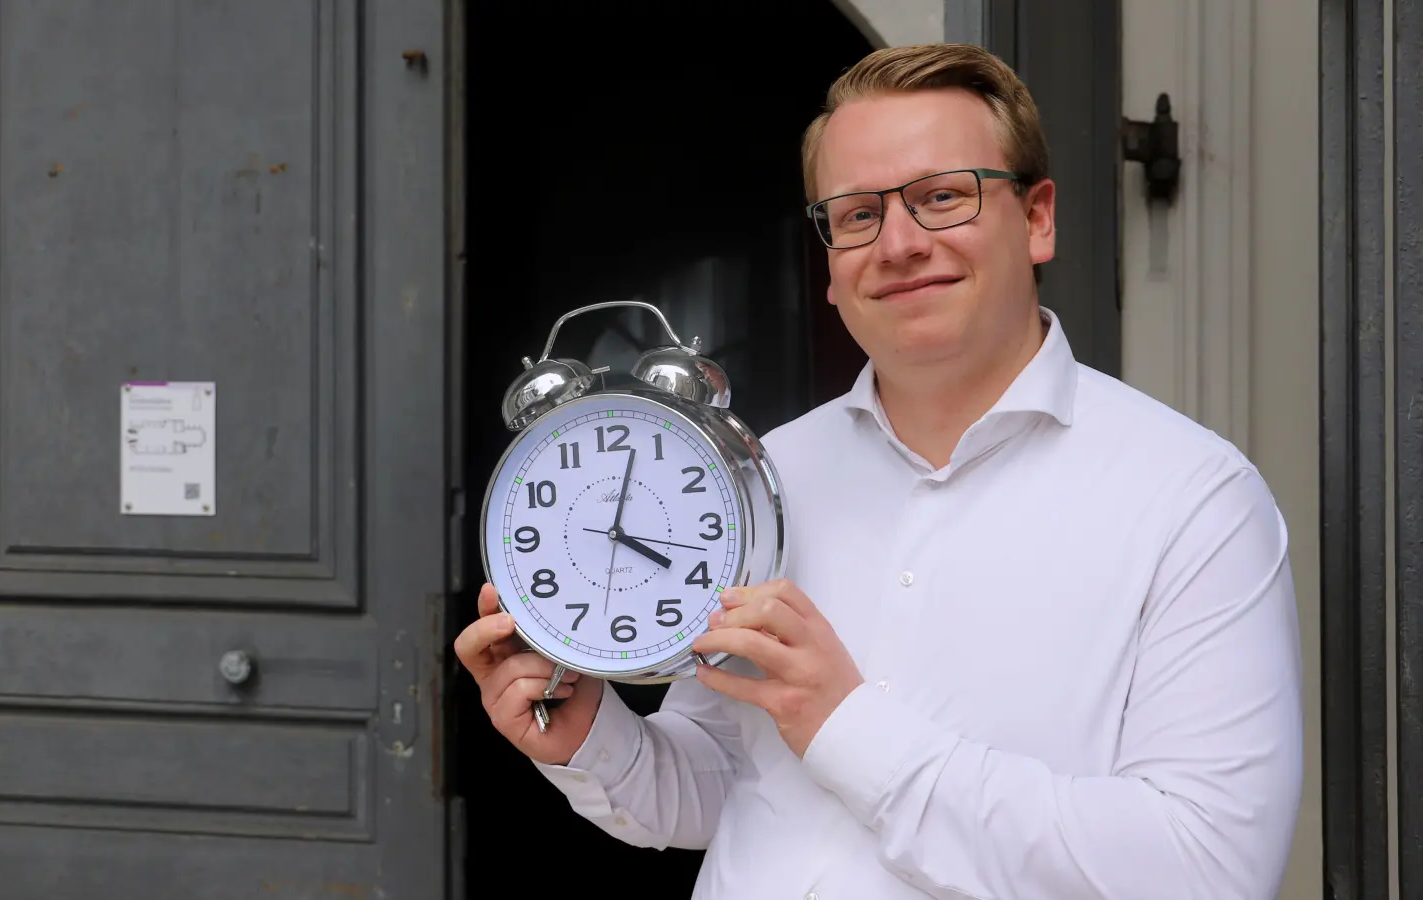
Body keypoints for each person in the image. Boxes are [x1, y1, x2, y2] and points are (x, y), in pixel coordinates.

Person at [454, 42, 1304, 899]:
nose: (898, 244)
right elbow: (723, 788)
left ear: (1038, 218)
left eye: (943, 197)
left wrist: (847, 724)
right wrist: (586, 735)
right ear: (830, 264)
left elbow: (1209, 870)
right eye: (857, 215)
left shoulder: (1194, 500)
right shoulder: (760, 478)